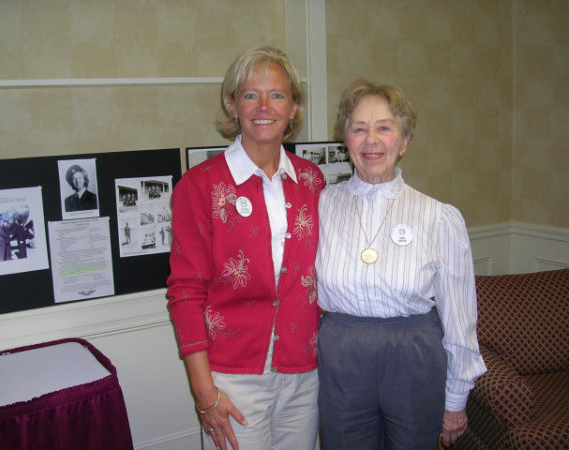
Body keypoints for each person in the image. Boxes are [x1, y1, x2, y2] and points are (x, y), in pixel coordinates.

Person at [166, 46, 324, 450]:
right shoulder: (200, 186)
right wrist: (205, 393)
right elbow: (185, 292)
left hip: (302, 373)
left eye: (277, 95)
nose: (264, 106)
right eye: (250, 95)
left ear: (293, 107)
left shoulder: (311, 181)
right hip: (232, 378)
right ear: (232, 105)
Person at [315, 79, 486, 449]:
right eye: (359, 129)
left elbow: (460, 317)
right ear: (346, 139)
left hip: (414, 357)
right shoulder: (321, 206)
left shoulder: (438, 217)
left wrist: (455, 400)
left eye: (384, 128)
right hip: (342, 358)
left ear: (404, 142)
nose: (371, 140)